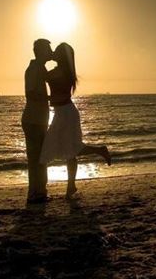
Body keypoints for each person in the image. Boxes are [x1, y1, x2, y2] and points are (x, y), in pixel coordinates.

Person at [40, 42, 111, 199]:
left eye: (56, 51)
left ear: (61, 56)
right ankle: (71, 186)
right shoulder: (62, 71)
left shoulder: (61, 72)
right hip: (63, 112)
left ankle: (100, 151)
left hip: (66, 113)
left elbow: (53, 86)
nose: (54, 53)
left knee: (70, 149)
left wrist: (44, 97)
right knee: (70, 151)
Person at [21, 38, 53, 203]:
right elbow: (30, 93)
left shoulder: (41, 68)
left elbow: (54, 78)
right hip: (33, 120)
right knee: (35, 158)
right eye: (48, 49)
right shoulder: (34, 69)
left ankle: (40, 191)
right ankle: (35, 193)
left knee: (41, 157)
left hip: (39, 120)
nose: (50, 52)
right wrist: (50, 98)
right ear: (41, 51)